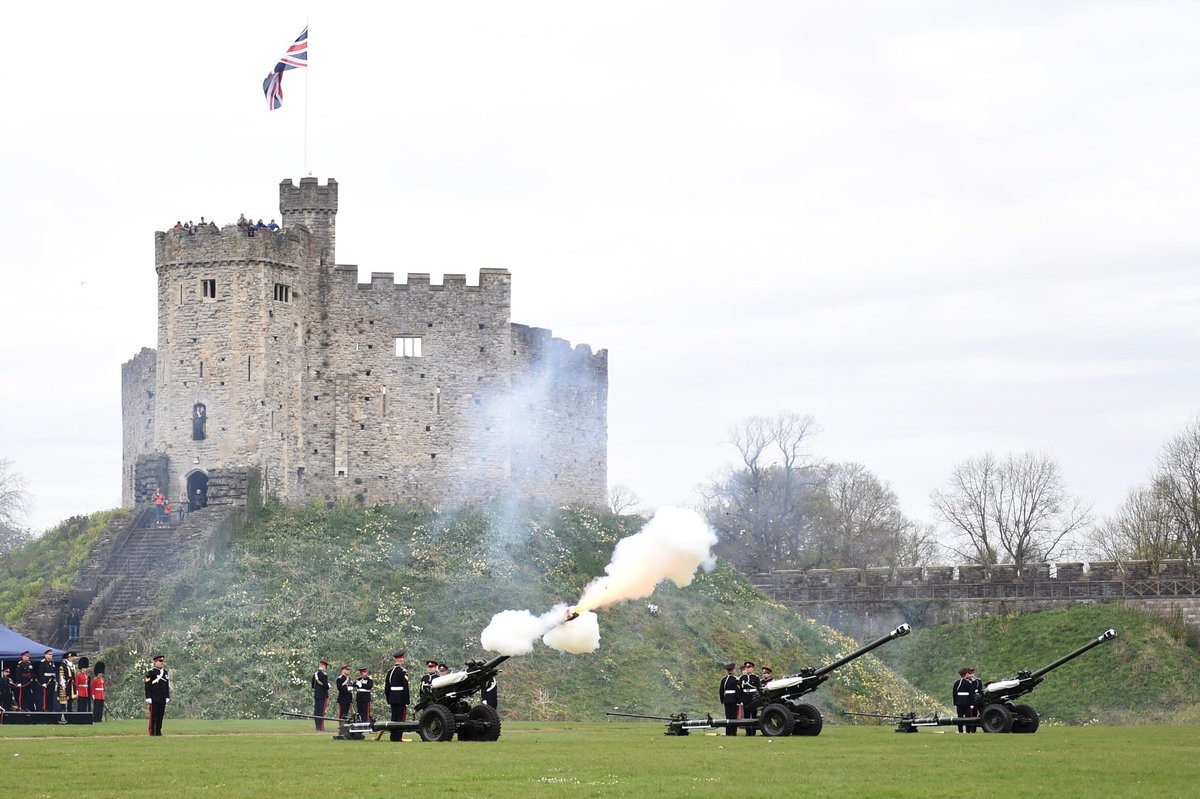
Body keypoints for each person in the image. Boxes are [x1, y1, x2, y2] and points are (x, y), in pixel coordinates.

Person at [385, 651, 409, 741]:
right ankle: (398, 737)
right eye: (403, 658)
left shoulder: (390, 672)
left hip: (392, 697)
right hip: (400, 698)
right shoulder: (403, 672)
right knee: (400, 718)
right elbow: (405, 687)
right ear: (401, 659)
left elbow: (387, 687)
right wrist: (407, 701)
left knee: (393, 718)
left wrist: (388, 698)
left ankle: (393, 736)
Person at [144, 653, 171, 736]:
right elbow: (147, 686)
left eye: (162, 661)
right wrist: (148, 697)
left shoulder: (165, 672)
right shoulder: (151, 673)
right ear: (155, 662)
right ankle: (152, 732)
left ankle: (158, 731)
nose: (161, 663)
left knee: (160, 716)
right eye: (159, 661)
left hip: (162, 697)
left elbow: (166, 685)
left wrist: (167, 696)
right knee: (153, 716)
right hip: (154, 697)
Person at [953, 667, 978, 733]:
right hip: (967, 702)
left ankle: (960, 730)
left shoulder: (957, 683)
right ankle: (968, 731)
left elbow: (954, 694)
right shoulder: (969, 683)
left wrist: (955, 702)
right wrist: (972, 703)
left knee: (960, 717)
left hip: (959, 702)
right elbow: (971, 694)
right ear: (966, 674)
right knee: (968, 717)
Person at [740, 661, 762, 735]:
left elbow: (759, 688)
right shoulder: (742, 677)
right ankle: (748, 732)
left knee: (753, 715)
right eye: (746, 667)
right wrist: (741, 700)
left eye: (749, 667)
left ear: (752, 668)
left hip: (753, 697)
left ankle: (753, 732)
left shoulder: (756, 677)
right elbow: (740, 689)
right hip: (745, 697)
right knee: (746, 715)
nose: (747, 669)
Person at [719, 662, 741, 736]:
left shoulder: (724, 679)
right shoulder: (736, 679)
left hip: (726, 700)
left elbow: (721, 691)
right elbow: (738, 691)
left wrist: (722, 700)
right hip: (733, 700)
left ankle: (728, 732)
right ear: (733, 670)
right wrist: (739, 701)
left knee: (727, 716)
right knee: (733, 717)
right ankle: (733, 733)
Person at [311, 660, 330, 731]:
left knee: (317, 711)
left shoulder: (315, 674)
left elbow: (313, 685)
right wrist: (328, 686)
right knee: (322, 711)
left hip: (317, 695)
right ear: (323, 666)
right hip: (323, 695)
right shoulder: (324, 675)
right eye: (325, 667)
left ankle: (317, 726)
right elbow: (326, 686)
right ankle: (321, 727)